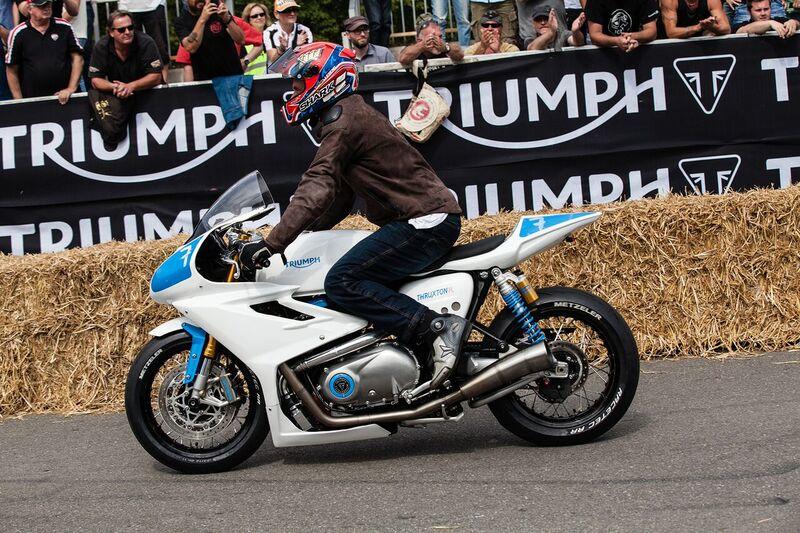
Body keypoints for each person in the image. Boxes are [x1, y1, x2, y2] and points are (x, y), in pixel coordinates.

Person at [240, 42, 468, 389]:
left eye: (299, 82)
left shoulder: (343, 122)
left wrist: (273, 243)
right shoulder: (347, 114)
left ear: (323, 79)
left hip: (424, 220)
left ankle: (437, 329)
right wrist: (301, 237)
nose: (293, 89)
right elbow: (339, 198)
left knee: (342, 281)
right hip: (421, 217)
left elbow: (317, 184)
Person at [5, 0, 82, 102]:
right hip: (33, 100)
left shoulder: (65, 27)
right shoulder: (18, 33)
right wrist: (19, 101)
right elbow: (11, 69)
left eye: (49, 4)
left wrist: (71, 88)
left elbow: (78, 58)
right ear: (30, 9)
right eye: (41, 5)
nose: (46, 8)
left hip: (65, 98)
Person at [88, 10, 162, 98]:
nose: (127, 32)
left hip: (148, 94)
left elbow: (156, 76)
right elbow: (95, 80)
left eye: (130, 27)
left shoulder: (146, 43)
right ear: (111, 32)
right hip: (117, 95)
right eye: (121, 30)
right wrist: (116, 87)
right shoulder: (102, 46)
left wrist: (130, 86)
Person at [173, 0, 245, 81]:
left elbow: (241, 40)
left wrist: (227, 19)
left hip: (232, 77)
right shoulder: (182, 20)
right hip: (205, 81)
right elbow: (190, 47)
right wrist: (202, 19)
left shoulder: (216, 10)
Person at [116, 0, 170, 83]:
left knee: (161, 48)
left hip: (155, 5)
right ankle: (135, 83)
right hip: (127, 7)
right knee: (131, 48)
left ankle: (163, 83)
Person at [585, 0, 658, 51]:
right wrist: (616, 41)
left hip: (634, 46)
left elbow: (652, 31)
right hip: (604, 51)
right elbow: (595, 35)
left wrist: (632, 36)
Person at [398, 13, 465, 67]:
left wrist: (446, 48)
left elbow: (460, 54)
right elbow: (403, 58)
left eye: (440, 36)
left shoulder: (443, 48)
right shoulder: (415, 50)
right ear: (419, 40)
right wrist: (421, 46)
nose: (437, 40)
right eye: (432, 37)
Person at [660, 0, 730, 37]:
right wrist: (697, 27)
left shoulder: (711, 1)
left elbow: (726, 29)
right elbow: (671, 32)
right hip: (671, 44)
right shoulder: (670, 1)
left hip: (701, 44)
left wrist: (712, 27)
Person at [241, 2, 270, 75]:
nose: (259, 17)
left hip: (271, 80)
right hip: (250, 81)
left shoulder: (271, 36)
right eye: (254, 16)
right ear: (248, 20)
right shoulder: (242, 41)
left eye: (262, 14)